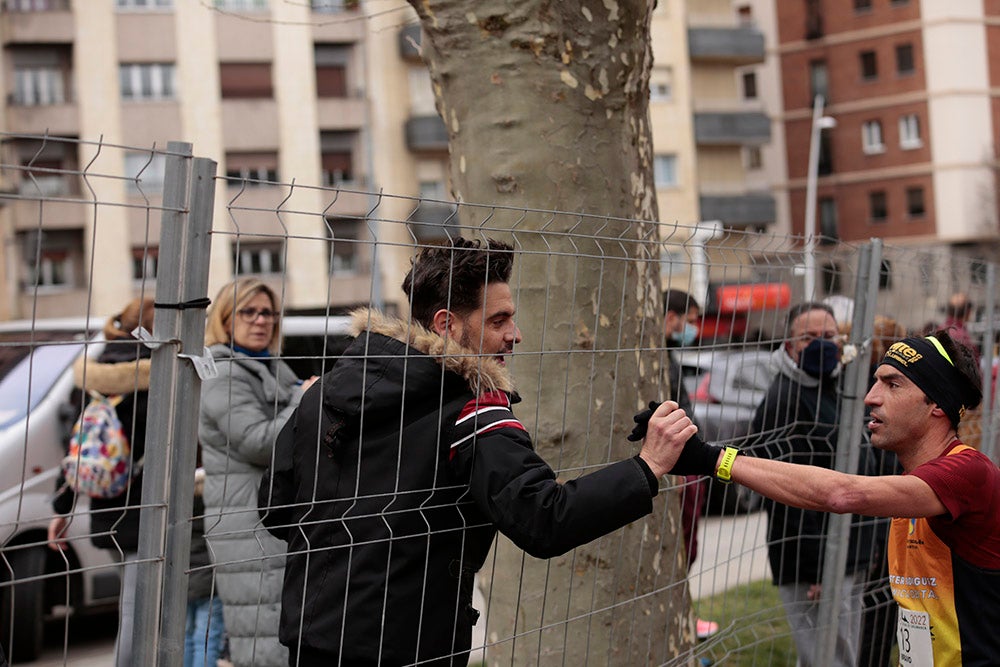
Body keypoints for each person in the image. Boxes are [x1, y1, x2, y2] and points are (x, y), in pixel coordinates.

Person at [258, 238, 697, 667]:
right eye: (499, 320)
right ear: (447, 323)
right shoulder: (472, 407)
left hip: (312, 636)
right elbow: (544, 518)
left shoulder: (323, 394)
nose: (516, 335)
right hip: (410, 644)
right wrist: (649, 465)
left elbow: (275, 507)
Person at [639, 328, 1000, 665]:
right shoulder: (912, 478)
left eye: (893, 385)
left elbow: (843, 494)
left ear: (936, 403)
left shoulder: (968, 472)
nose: (871, 398)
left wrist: (712, 457)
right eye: (875, 381)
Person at [739, 302, 873, 667]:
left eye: (828, 336)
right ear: (789, 344)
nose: (821, 344)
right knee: (828, 657)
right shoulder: (783, 400)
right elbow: (784, 492)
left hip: (849, 551)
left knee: (834, 653)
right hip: (814, 563)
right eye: (808, 337)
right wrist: (817, 568)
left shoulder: (839, 387)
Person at [199, 278, 318, 667]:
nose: (260, 320)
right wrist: (303, 399)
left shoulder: (268, 367)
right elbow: (259, 442)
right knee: (263, 639)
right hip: (247, 525)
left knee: (284, 633)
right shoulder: (222, 372)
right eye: (248, 312)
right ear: (225, 318)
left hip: (272, 519)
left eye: (268, 312)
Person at [47, 296, 156, 667]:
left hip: (104, 508)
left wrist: (61, 510)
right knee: (138, 613)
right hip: (146, 507)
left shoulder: (92, 378)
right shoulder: (157, 377)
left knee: (132, 602)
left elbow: (76, 448)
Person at [662, 289, 717, 640]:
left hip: (685, 461)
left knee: (686, 546)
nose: (693, 329)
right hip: (675, 465)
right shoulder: (655, 356)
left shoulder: (666, 354)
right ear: (671, 318)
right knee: (678, 544)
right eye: (691, 321)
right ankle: (679, 615)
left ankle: (683, 613)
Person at [185, 467, 225, 667]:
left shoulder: (180, 517)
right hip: (209, 585)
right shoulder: (212, 514)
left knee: (185, 636)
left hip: (184, 584)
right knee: (206, 638)